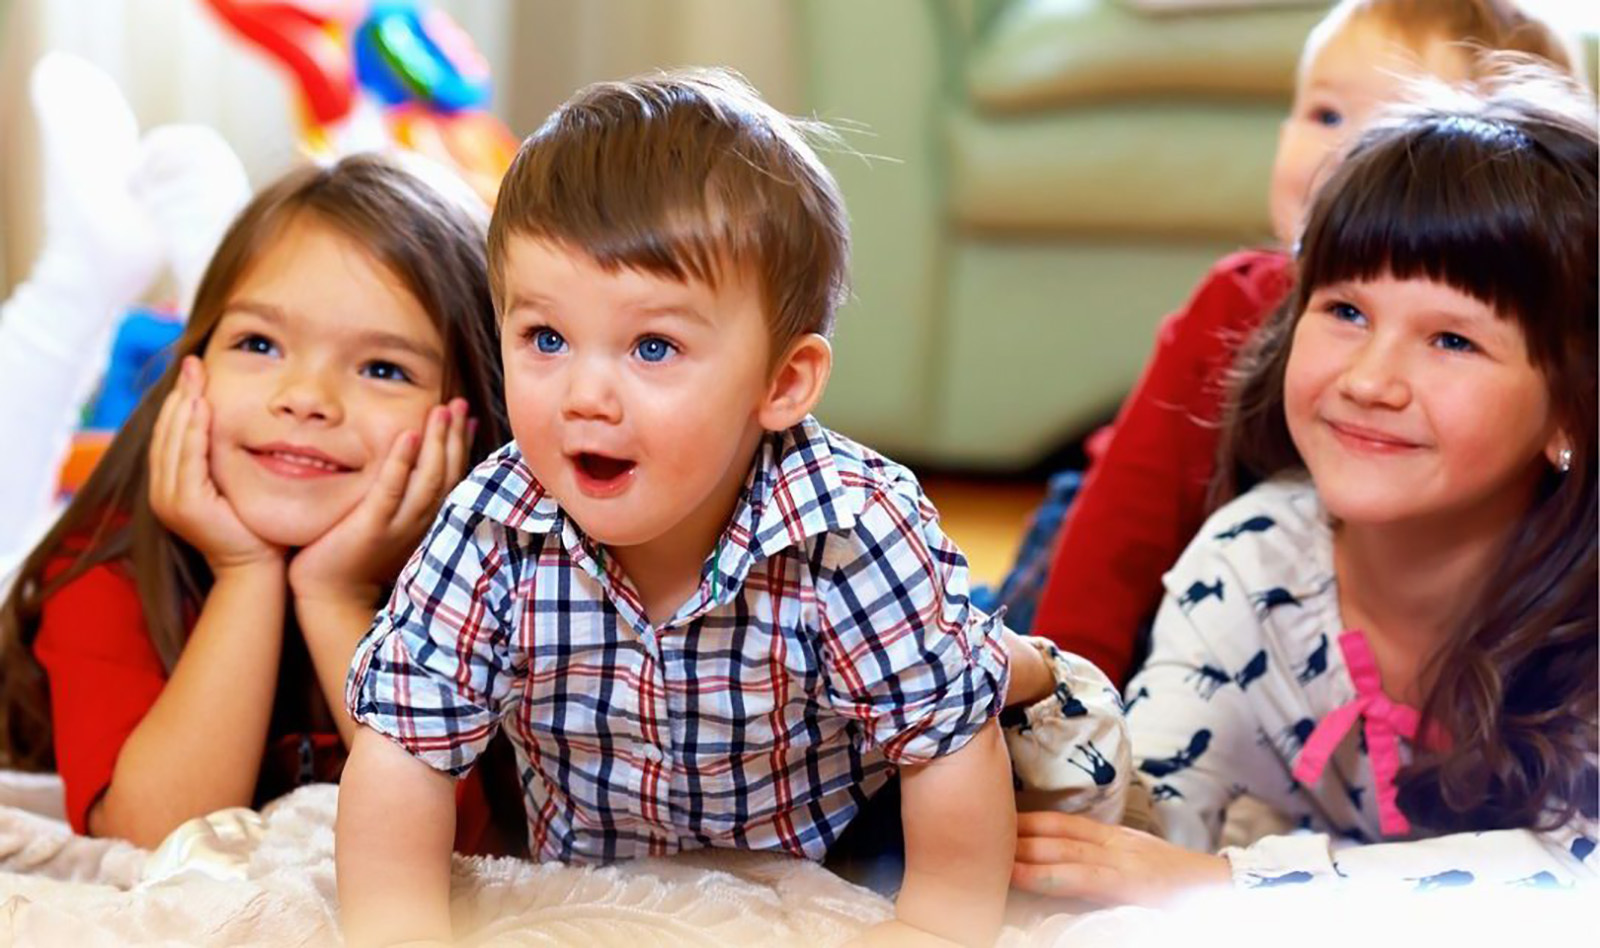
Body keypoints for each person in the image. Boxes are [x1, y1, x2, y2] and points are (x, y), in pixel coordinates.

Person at [336, 68, 1127, 948]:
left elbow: (944, 749)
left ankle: (1007, 657)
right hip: (597, 868)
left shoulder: (851, 530)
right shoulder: (493, 522)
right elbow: (404, 750)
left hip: (841, 845)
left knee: (991, 747)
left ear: (782, 383)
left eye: (653, 346)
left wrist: (937, 927)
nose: (585, 395)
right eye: (546, 339)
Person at [1011, 69, 1597, 902]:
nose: (1370, 379)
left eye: (1453, 341)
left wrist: (1243, 880)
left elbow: (1577, 873)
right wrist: (1037, 688)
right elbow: (1141, 838)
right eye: (1347, 313)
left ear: (1572, 413)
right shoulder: (1254, 564)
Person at [1009, 0, 1582, 684]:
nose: (1344, 156)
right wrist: (1061, 708)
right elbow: (1118, 532)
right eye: (1325, 115)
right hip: (1138, 562)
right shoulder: (1239, 300)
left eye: (1399, 130)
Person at [0, 152, 512, 851]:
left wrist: (336, 596)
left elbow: (470, 846)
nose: (304, 399)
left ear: (475, 414)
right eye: (259, 343)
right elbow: (158, 835)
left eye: (383, 368)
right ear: (194, 369)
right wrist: (246, 570)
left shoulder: (515, 582)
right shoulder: (108, 561)